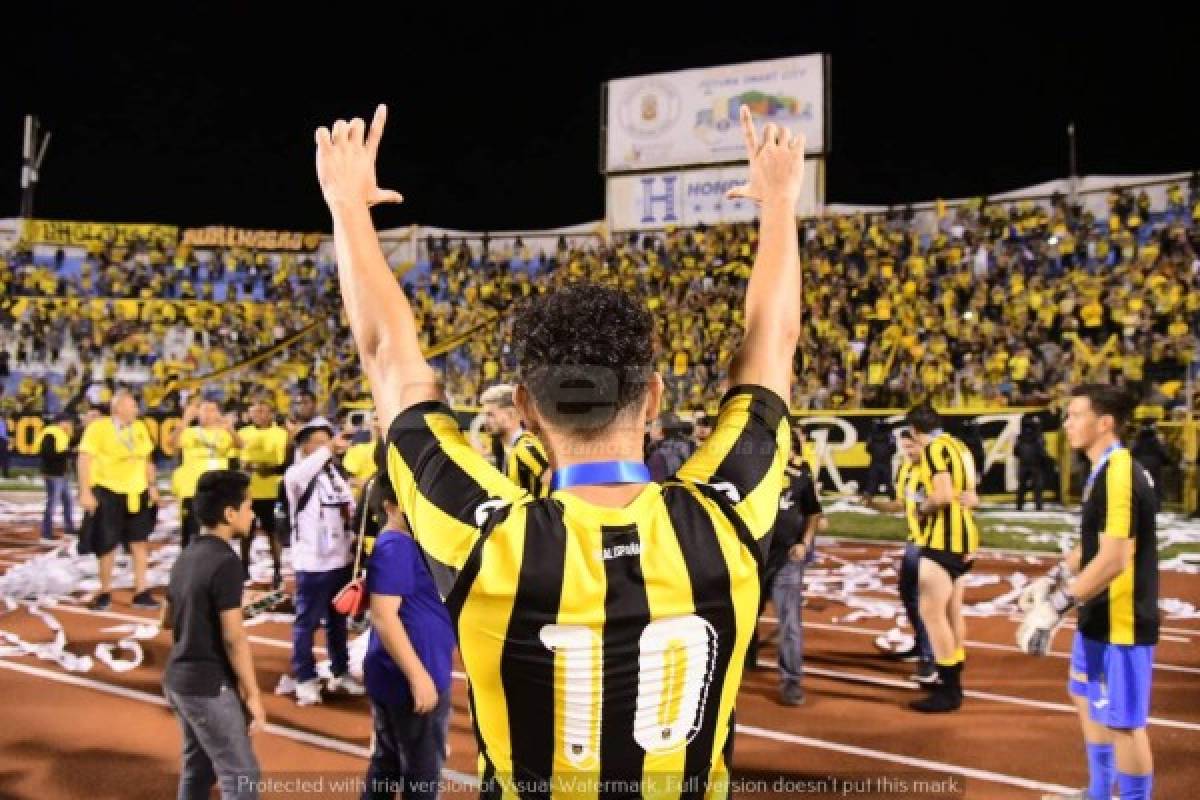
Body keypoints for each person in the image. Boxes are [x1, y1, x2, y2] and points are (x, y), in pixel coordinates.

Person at [318, 103, 801, 793]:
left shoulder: (488, 539)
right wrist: (781, 203)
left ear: (525, 408)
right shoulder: (726, 516)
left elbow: (388, 355)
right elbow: (770, 349)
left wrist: (347, 208)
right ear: (655, 397)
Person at [1018, 386, 1158, 800]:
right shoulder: (1101, 470)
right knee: (1084, 696)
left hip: (1124, 617)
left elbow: (1115, 558)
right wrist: (1056, 575)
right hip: (1099, 609)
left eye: (1075, 415)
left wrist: (1057, 606)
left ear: (1105, 423)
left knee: (1124, 723)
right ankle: (1098, 794)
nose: (1066, 423)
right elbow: (1095, 543)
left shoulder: (1119, 473)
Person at [162, 470, 264, 800]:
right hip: (208, 685)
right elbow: (234, 639)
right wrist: (253, 694)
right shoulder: (226, 561)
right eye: (248, 507)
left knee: (199, 768)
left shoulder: (187, 555)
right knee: (242, 776)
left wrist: (231, 606)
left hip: (179, 679)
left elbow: (167, 618)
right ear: (230, 514)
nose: (253, 514)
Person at [362, 472, 456, 800]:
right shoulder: (396, 545)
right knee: (422, 774)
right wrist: (419, 677)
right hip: (411, 672)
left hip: (399, 671)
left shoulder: (403, 542)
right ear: (390, 506)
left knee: (387, 764)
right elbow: (384, 616)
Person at [284, 416, 365, 705]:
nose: (327, 448)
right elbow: (303, 472)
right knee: (307, 624)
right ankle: (304, 677)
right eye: (317, 443)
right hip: (313, 564)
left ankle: (340, 671)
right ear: (305, 448)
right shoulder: (296, 476)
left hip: (340, 561)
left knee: (338, 621)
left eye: (327, 441)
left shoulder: (337, 476)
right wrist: (329, 447)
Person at [906, 404, 979, 712]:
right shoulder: (960, 446)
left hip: (942, 541)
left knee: (932, 613)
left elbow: (942, 495)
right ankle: (953, 677)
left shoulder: (934, 449)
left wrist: (923, 509)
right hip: (966, 539)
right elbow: (971, 495)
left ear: (914, 431)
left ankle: (949, 688)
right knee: (952, 613)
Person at [862, 428, 936, 684]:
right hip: (914, 541)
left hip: (933, 544)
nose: (910, 451)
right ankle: (922, 644)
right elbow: (900, 505)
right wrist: (873, 504)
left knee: (927, 601)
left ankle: (930, 658)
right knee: (908, 595)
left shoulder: (935, 470)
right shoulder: (905, 470)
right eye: (906, 447)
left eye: (913, 446)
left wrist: (926, 513)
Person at [78, 389, 161, 611]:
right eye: (132, 405)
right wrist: (85, 491)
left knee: (140, 541)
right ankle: (105, 591)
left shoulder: (140, 428)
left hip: (137, 491)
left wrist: (152, 486)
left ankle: (141, 590)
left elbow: (147, 459)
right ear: (118, 408)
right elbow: (85, 458)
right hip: (108, 491)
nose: (136, 409)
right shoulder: (98, 428)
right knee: (107, 544)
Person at [766, 426, 823, 706]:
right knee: (741, 616)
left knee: (789, 622)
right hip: (754, 558)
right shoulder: (753, 477)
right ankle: (743, 660)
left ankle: (791, 680)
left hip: (786, 557)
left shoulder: (801, 477)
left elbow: (813, 512)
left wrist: (805, 542)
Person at [170, 398, 244, 550]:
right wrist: (185, 420)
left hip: (218, 491)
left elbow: (241, 445)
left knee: (218, 531)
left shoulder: (225, 433)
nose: (209, 414)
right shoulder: (190, 432)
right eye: (205, 410)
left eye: (213, 410)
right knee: (192, 533)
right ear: (198, 414)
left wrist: (230, 428)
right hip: (193, 490)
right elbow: (172, 443)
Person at [236, 399, 288, 587]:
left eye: (262, 411)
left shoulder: (281, 434)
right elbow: (240, 461)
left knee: (273, 532)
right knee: (245, 532)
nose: (258, 415)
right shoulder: (242, 433)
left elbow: (280, 461)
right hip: (248, 491)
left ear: (271, 413)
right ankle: (243, 569)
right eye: (255, 411)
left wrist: (258, 465)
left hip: (272, 490)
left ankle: (277, 570)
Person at [480, 383, 550, 496]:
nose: (485, 421)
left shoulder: (526, 447)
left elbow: (558, 486)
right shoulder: (500, 448)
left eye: (490, 415)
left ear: (510, 414)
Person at [37, 414, 76, 541]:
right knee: (52, 504)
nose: (69, 425)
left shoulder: (61, 434)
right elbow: (47, 453)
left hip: (62, 474)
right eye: (67, 422)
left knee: (68, 502)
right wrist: (68, 452)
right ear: (60, 422)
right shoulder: (50, 433)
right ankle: (46, 533)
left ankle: (69, 528)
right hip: (53, 474)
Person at [645, 412, 695, 483]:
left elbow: (646, 488)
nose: (649, 430)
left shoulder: (659, 458)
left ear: (661, 430)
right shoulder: (689, 446)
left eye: (652, 426)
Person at [1015, 415, 1049, 511]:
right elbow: (1041, 451)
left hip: (1024, 464)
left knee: (1022, 487)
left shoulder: (1020, 437)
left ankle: (1019, 506)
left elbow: (1016, 451)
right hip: (1036, 465)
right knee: (1037, 488)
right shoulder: (1038, 437)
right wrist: (1044, 461)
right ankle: (1038, 506)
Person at [1130, 422, 1169, 504]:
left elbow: (1132, 453)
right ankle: (1155, 505)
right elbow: (1164, 455)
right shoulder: (1156, 442)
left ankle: (1141, 504)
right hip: (1155, 468)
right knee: (1155, 487)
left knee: (1141, 486)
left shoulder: (1138, 442)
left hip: (1141, 467)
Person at [861, 421, 896, 499]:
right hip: (885, 462)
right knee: (888, 482)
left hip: (875, 462)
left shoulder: (871, 436)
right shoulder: (890, 436)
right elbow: (894, 448)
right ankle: (893, 499)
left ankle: (868, 499)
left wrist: (874, 454)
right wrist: (888, 454)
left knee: (872, 482)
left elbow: (867, 448)